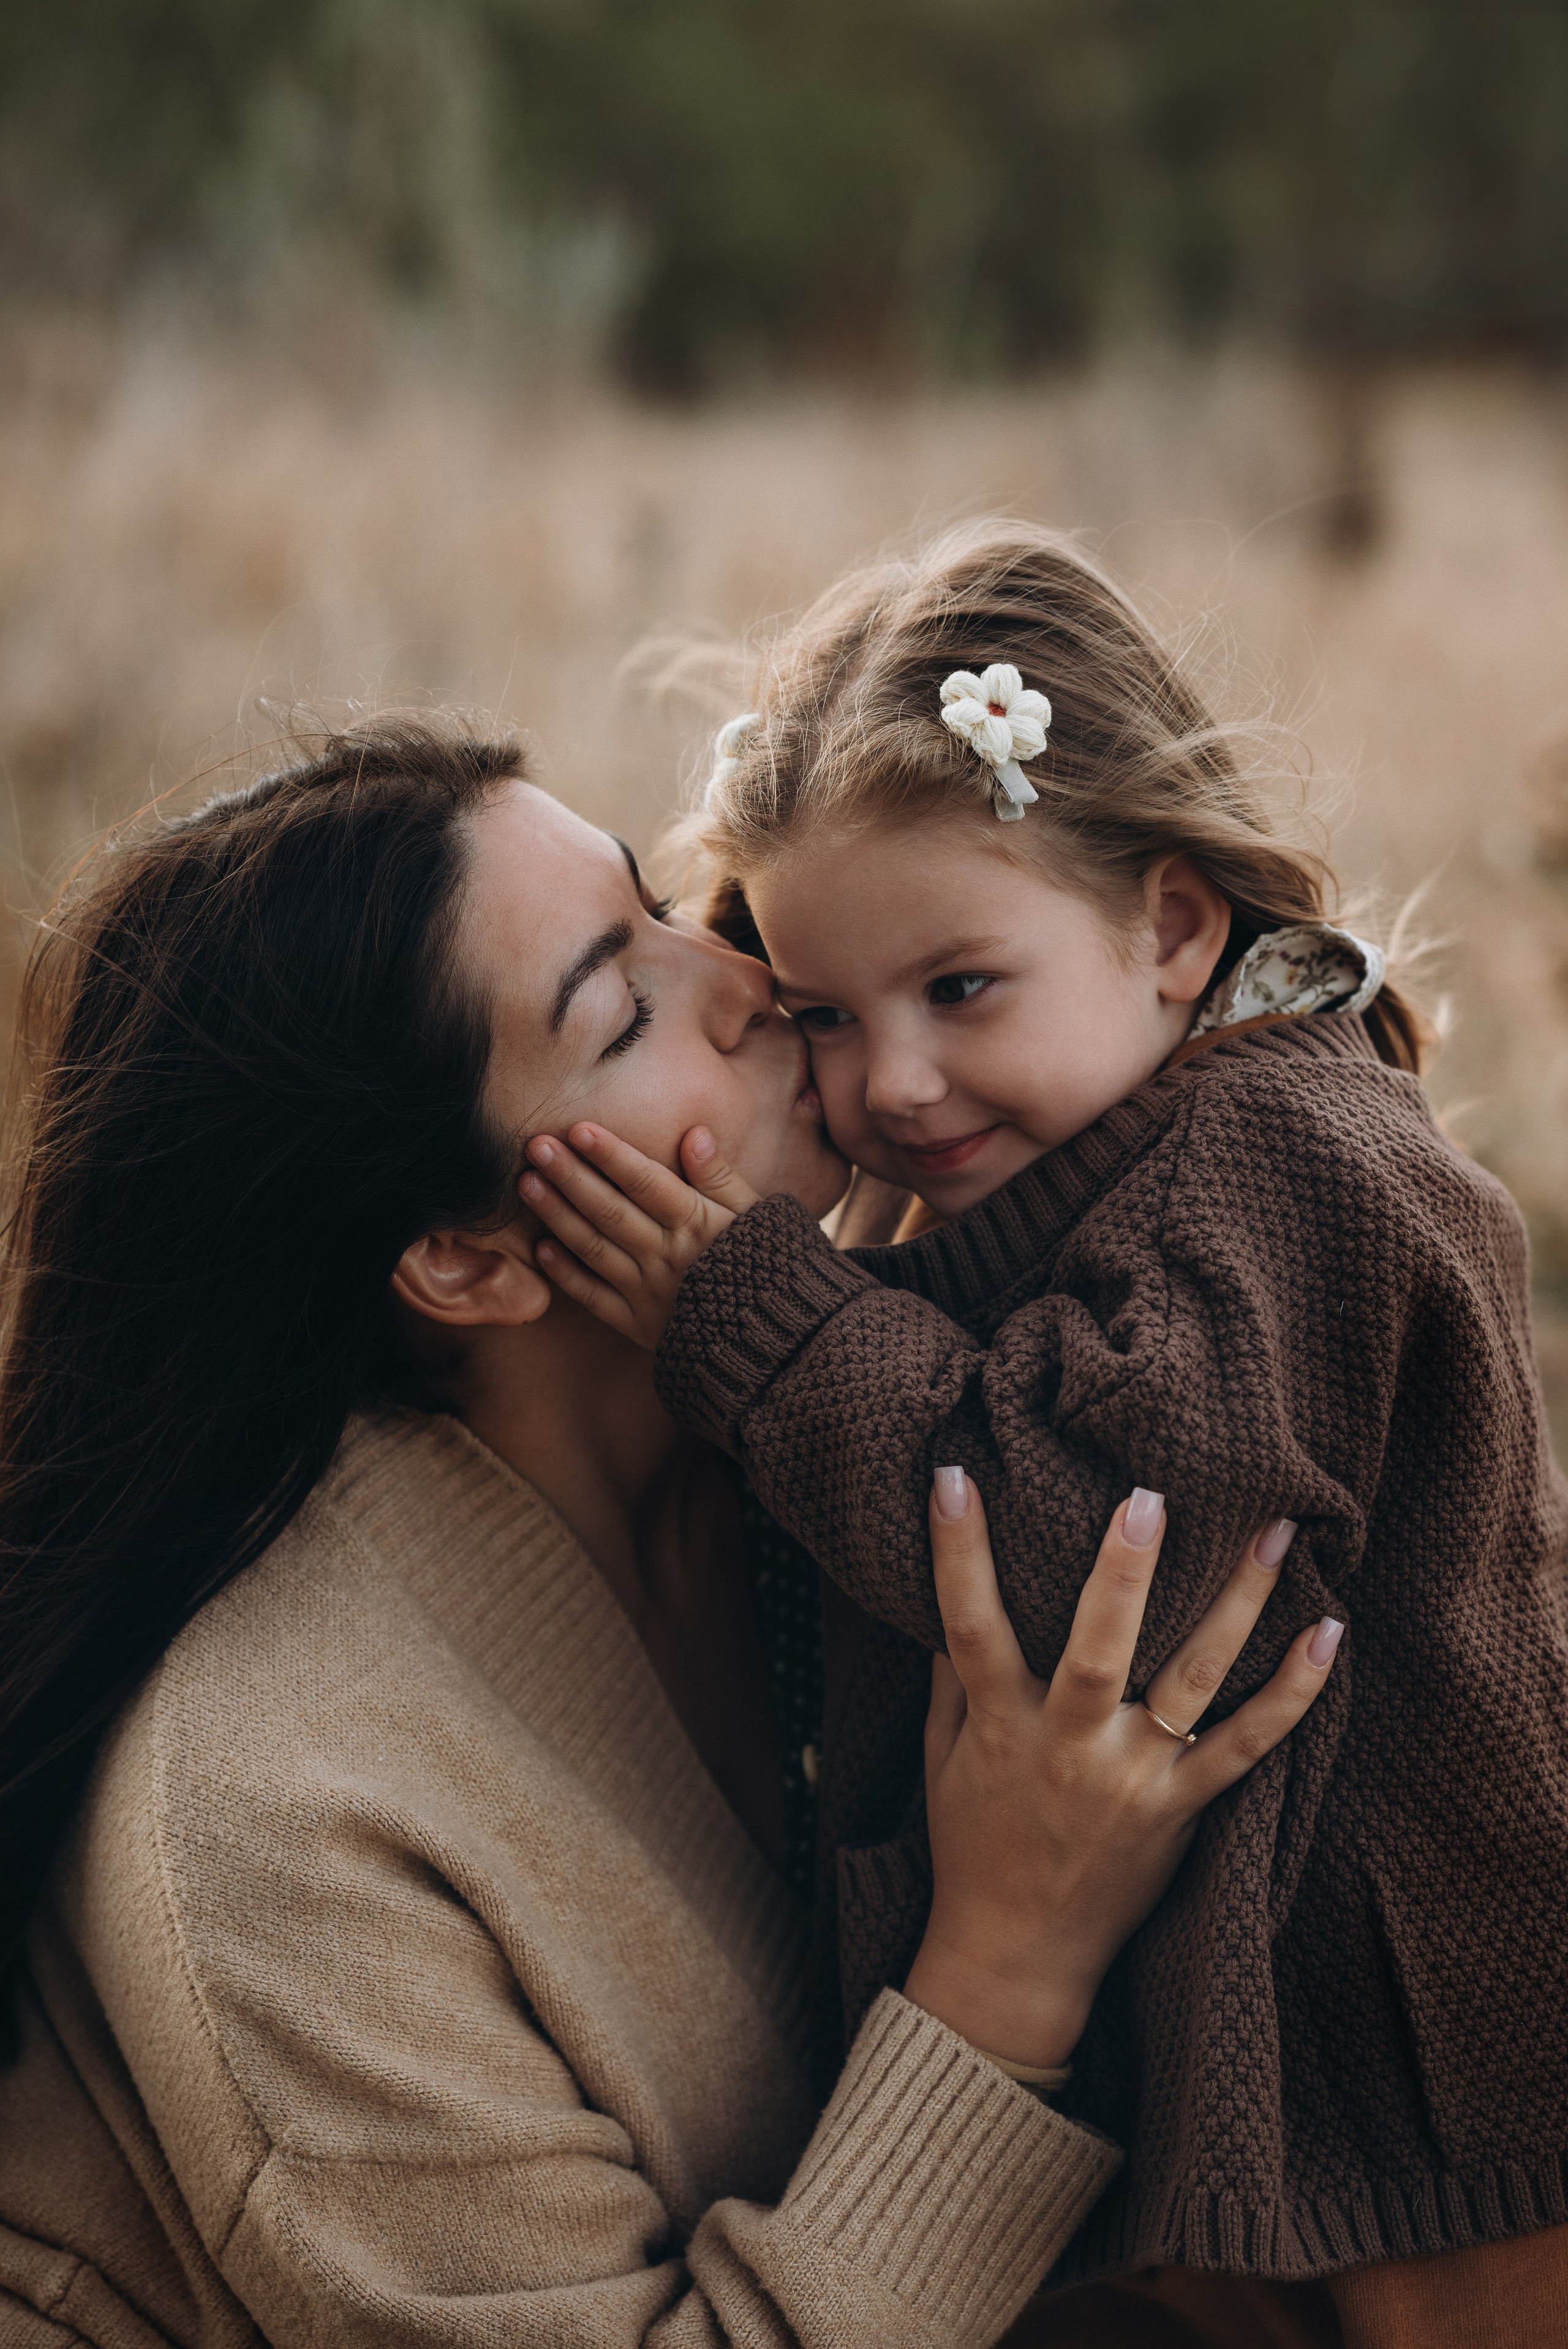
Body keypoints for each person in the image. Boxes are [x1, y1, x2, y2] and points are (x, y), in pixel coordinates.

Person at [0, 715, 1336, 2348]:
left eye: (655, 901)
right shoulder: (276, 1812)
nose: (748, 977)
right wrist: (1012, 1961)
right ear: (468, 1259)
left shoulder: (831, 1417)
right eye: (625, 1006)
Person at [513, 522, 1568, 2339]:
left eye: (961, 989)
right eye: (828, 1015)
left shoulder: (1296, 1163)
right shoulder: (1081, 1169)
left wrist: (757, 1333)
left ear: (1169, 924)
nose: (891, 1084)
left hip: (1445, 2104)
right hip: (1271, 2113)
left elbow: (1100, 1577)